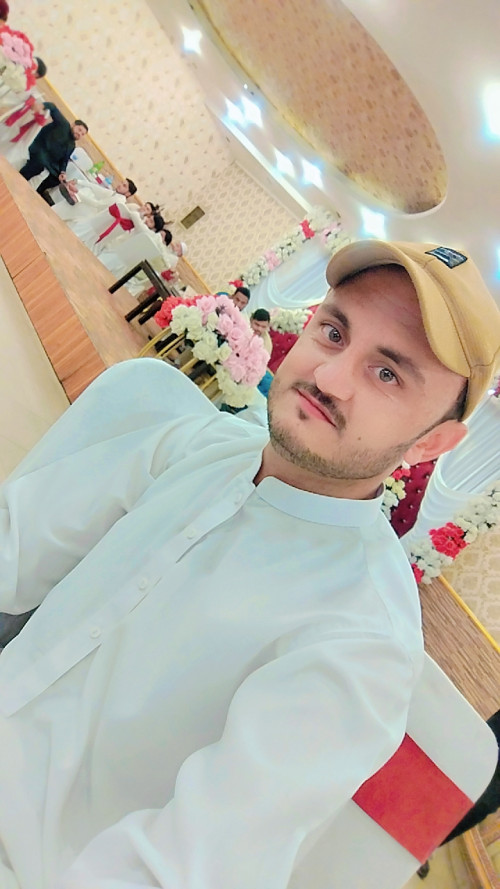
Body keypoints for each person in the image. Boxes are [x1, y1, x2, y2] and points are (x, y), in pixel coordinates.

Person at [0, 240, 499, 889]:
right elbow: (18, 543)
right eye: (334, 332)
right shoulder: (204, 444)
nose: (329, 377)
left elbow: (181, 871)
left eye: (387, 374)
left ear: (431, 442)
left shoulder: (362, 644)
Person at [19, 104, 88, 203]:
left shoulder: (72, 145)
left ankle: (36, 193)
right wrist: (42, 106)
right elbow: (53, 107)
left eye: (82, 134)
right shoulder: (63, 124)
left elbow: (64, 160)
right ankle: (18, 179)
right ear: (73, 125)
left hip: (50, 160)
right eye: (79, 130)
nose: (79, 134)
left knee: (57, 178)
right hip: (40, 148)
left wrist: (63, 172)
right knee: (39, 164)